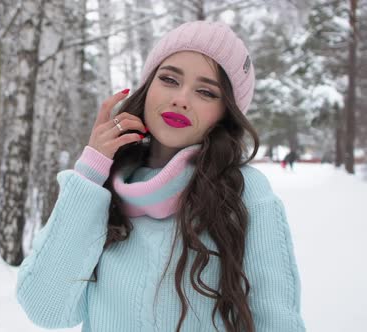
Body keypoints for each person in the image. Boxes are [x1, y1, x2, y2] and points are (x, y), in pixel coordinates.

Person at [16, 20, 305, 332]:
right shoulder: (101, 188)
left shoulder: (244, 192)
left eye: (206, 92)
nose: (181, 98)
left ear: (226, 112)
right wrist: (90, 173)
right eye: (169, 79)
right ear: (148, 87)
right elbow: (45, 309)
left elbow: (277, 323)